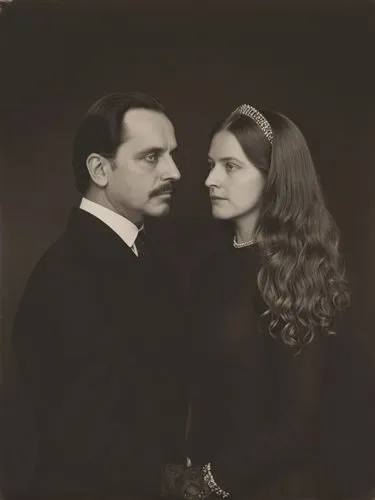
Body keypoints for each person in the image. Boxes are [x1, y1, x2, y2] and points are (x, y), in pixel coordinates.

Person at [163, 104, 352, 499]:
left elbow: (300, 427)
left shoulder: (295, 271)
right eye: (212, 164)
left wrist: (212, 479)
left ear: (273, 178)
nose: (210, 179)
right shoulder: (209, 270)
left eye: (231, 166)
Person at [11, 92, 189, 499]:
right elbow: (76, 429)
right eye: (152, 156)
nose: (175, 171)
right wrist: (172, 481)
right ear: (99, 169)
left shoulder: (148, 259)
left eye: (172, 154)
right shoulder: (66, 274)